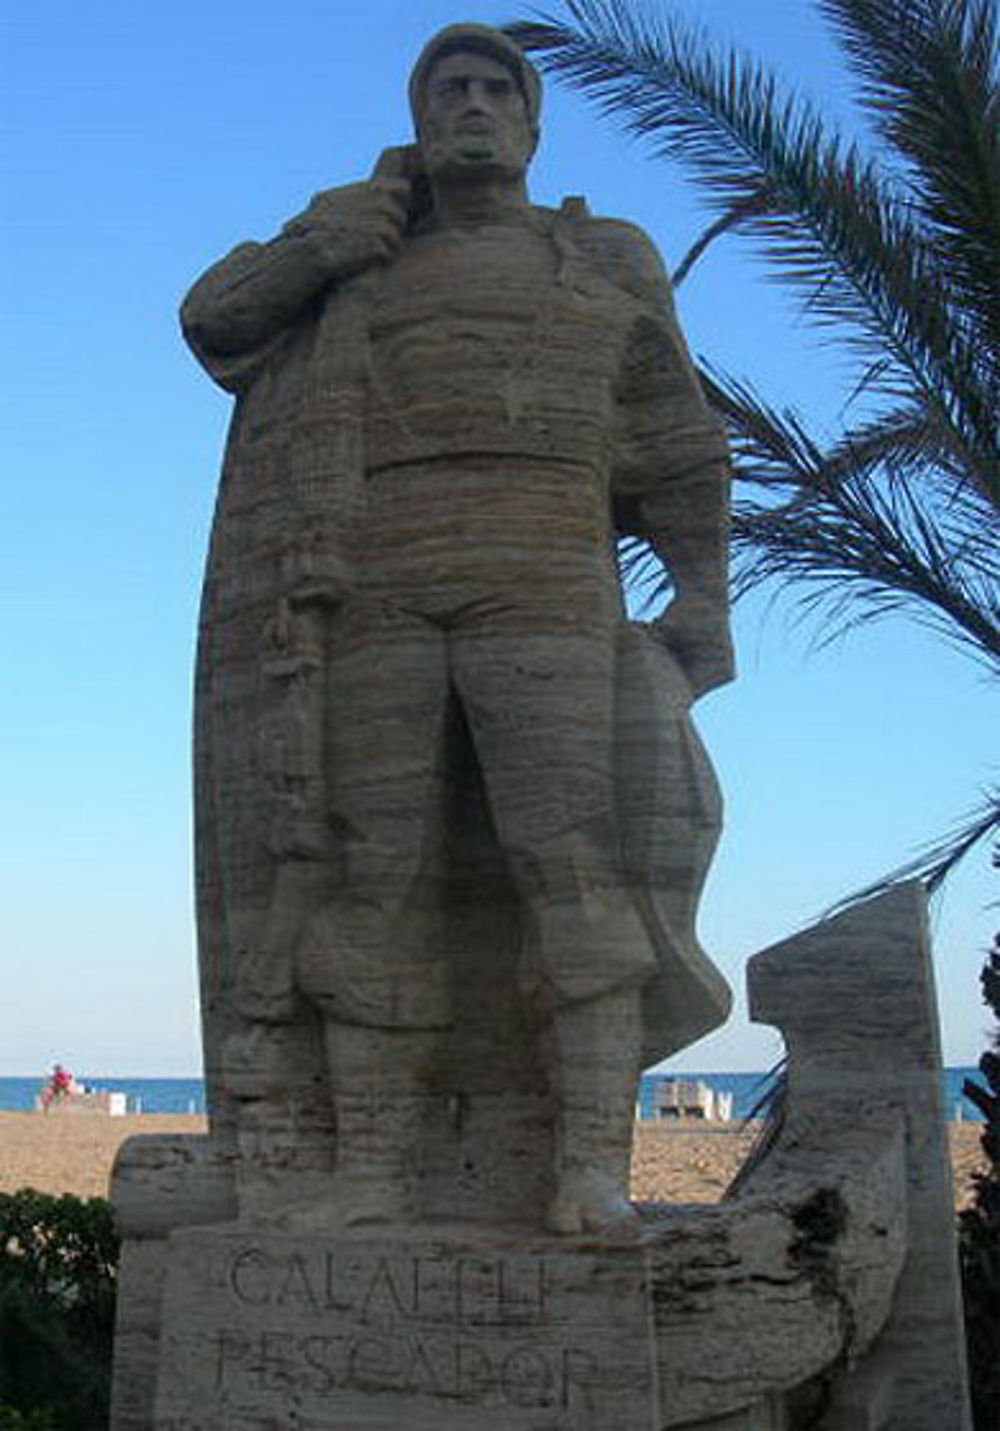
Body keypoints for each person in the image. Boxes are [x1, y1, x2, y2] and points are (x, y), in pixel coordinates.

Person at [182, 24, 732, 1235]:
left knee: (569, 861)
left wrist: (701, 594)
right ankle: (370, 1170)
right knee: (365, 868)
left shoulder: (600, 256)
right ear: (422, 122)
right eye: (449, 91)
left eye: (495, 90)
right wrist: (323, 246)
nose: (472, 107)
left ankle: (584, 1166)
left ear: (533, 127)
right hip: (371, 576)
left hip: (544, 572)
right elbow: (213, 322)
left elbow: (680, 440)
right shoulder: (357, 248)